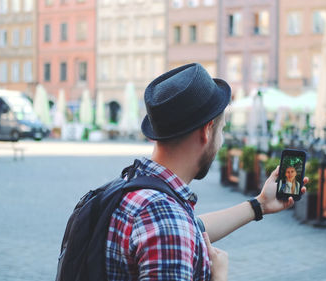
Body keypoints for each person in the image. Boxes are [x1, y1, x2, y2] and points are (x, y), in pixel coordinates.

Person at [105, 63, 307, 281]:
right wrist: (218, 277)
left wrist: (260, 205)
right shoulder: (167, 222)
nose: (220, 142)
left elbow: (193, 226)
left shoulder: (129, 188)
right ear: (206, 131)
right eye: (221, 130)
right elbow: (176, 228)